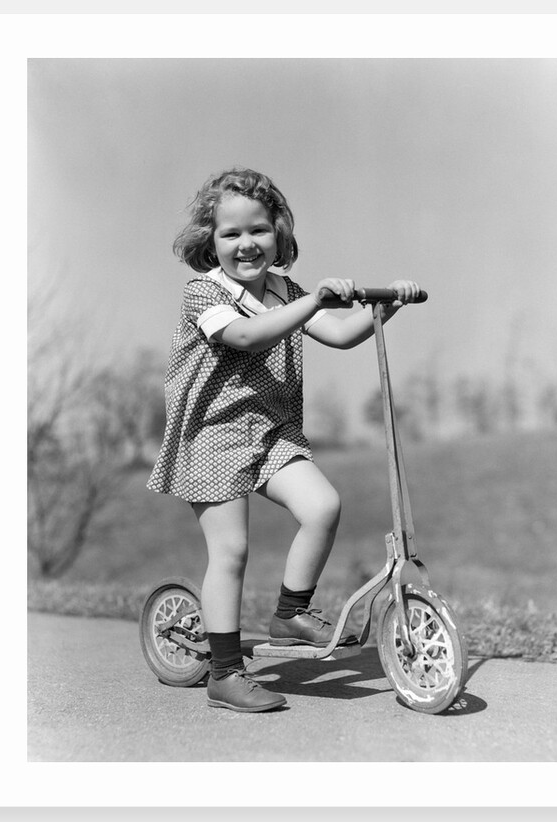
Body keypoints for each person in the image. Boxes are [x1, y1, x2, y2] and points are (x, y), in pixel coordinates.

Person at [147, 167, 420, 713]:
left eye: (259, 231)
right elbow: (248, 337)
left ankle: (291, 612)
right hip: (212, 435)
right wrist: (315, 300)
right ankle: (224, 673)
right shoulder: (204, 293)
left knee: (323, 505)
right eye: (231, 234)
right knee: (231, 550)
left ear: (279, 234)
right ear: (210, 241)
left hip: (269, 432)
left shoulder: (284, 290)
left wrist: (382, 307)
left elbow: (340, 335)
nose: (247, 244)